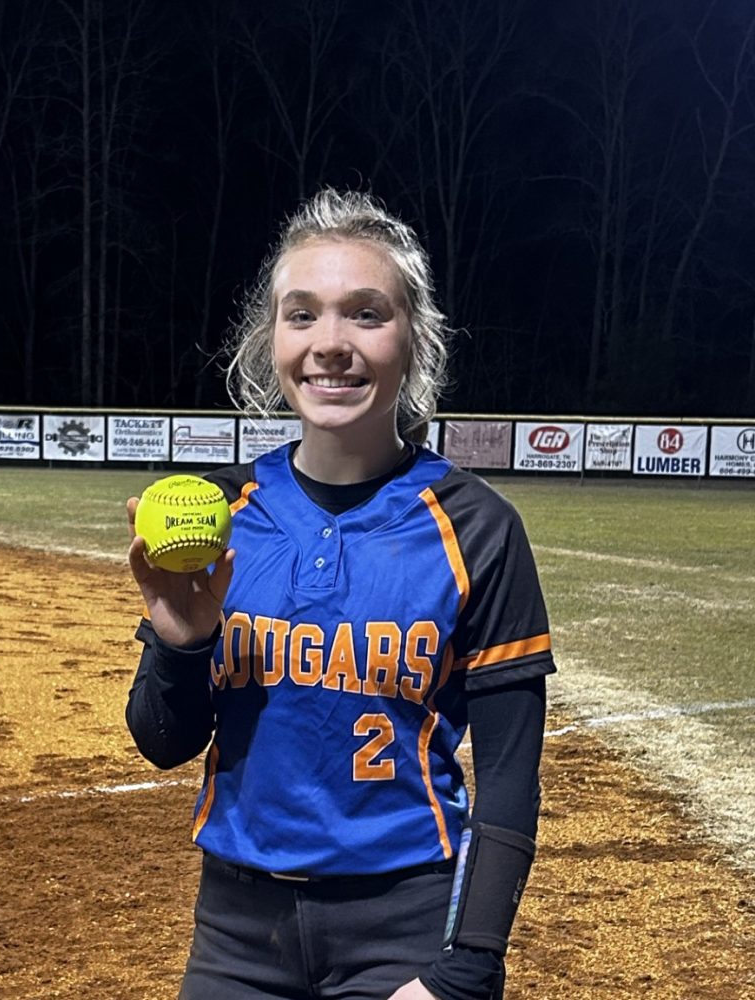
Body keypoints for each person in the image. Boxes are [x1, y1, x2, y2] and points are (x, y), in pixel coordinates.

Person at [125, 188, 556, 1000]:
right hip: (236, 933)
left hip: (405, 926)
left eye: (366, 313)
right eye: (302, 315)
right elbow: (162, 740)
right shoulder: (220, 516)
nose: (330, 344)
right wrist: (182, 643)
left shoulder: (477, 528)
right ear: (271, 340)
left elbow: (508, 775)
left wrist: (466, 970)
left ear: (414, 339)